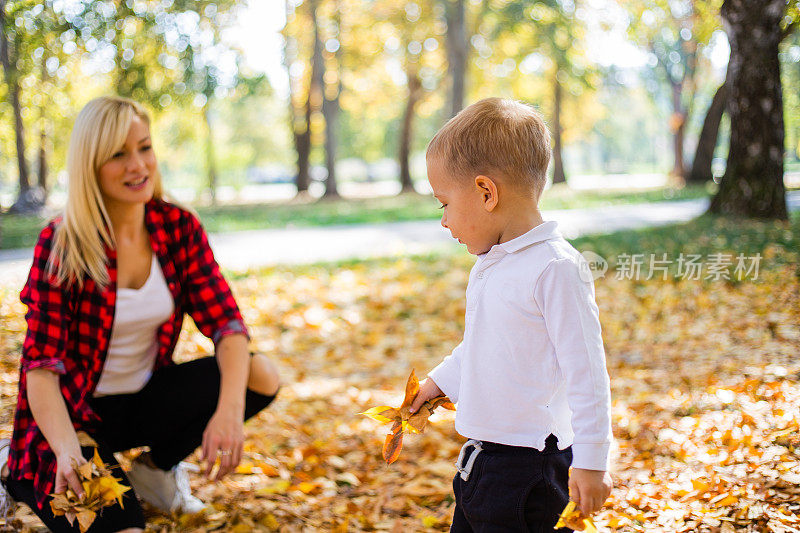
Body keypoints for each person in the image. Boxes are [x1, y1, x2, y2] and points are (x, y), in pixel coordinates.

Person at [0, 96, 281, 533]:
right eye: (118, 154)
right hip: (68, 421)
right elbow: (40, 369)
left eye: (144, 148)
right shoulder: (63, 244)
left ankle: (153, 472)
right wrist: (67, 451)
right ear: (90, 165)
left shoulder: (177, 227)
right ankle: (16, 465)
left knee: (256, 372)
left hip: (140, 402)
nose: (138, 165)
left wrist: (229, 409)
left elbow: (227, 325)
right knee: (126, 528)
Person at [408, 98, 613, 532]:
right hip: (484, 462)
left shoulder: (555, 268)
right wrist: (439, 383)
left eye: (443, 204)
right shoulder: (496, 262)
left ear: (486, 192)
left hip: (530, 470)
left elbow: (587, 372)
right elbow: (486, 343)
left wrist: (592, 460)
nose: (444, 221)